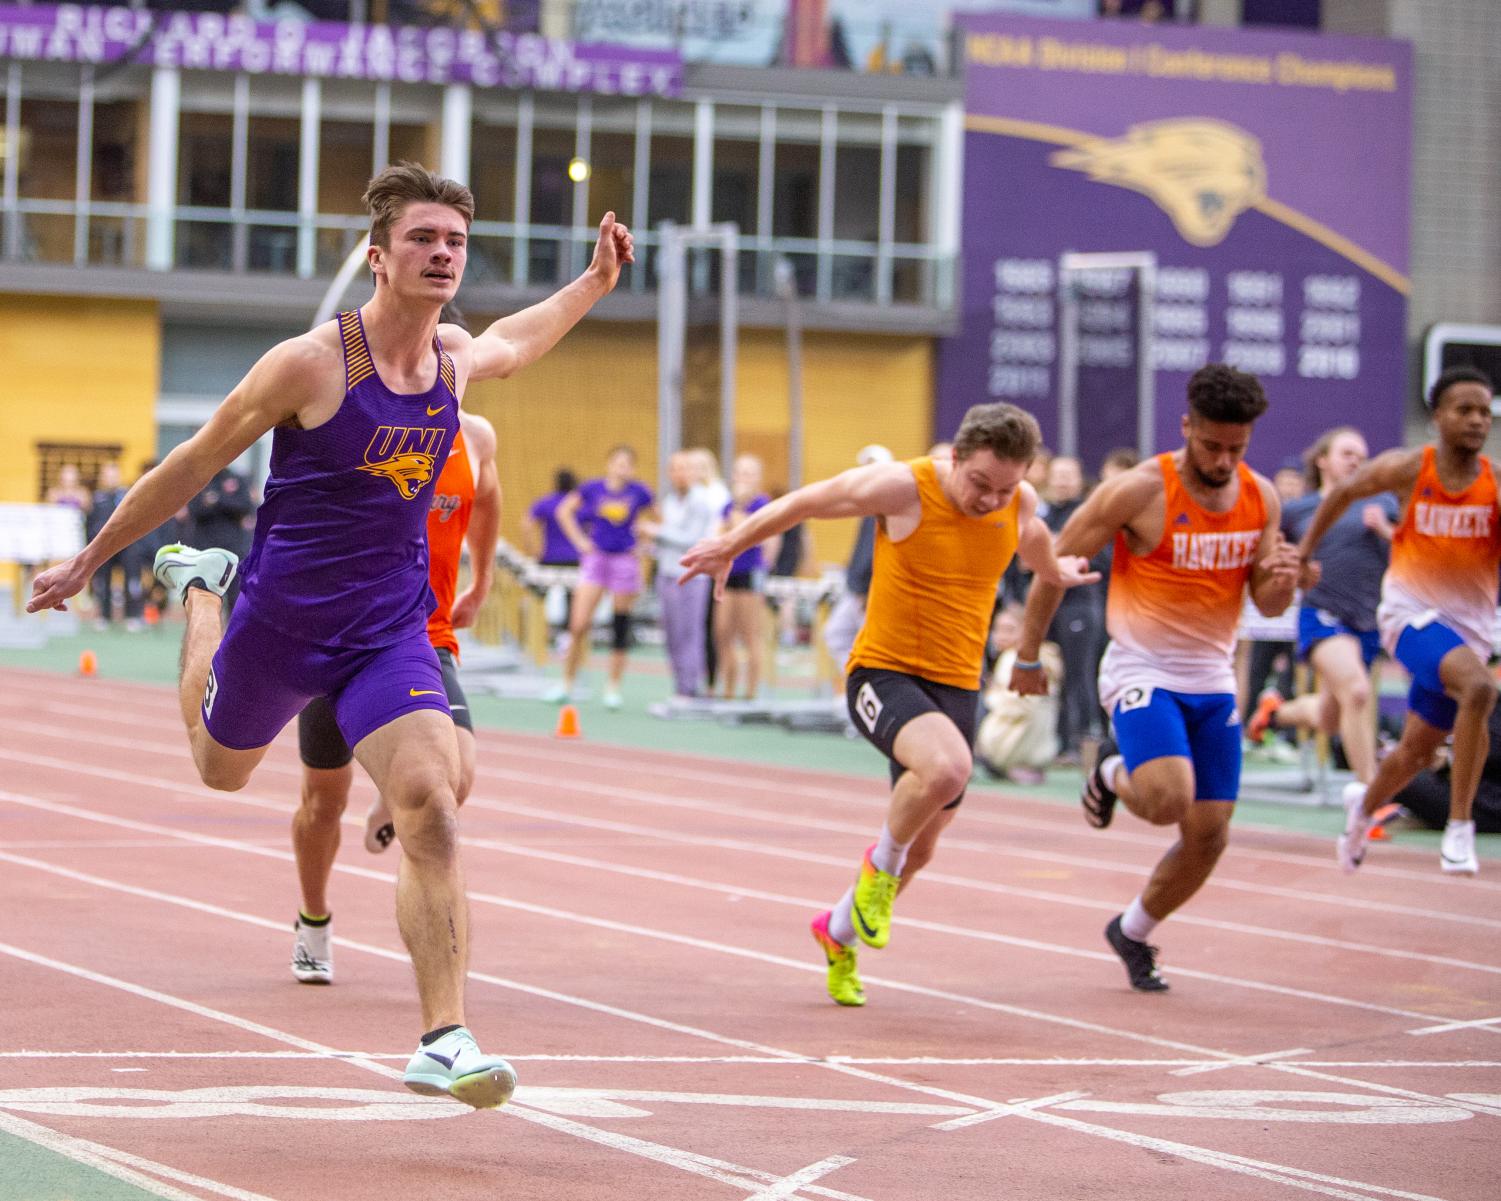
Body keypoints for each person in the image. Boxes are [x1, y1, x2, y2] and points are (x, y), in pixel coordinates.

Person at [28, 161, 634, 1108]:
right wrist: (90, 559)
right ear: (377, 255)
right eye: (425, 239)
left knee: (431, 798)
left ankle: (445, 1037)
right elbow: (192, 464)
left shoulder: (452, 361)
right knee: (220, 769)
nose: (443, 254)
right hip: (281, 623)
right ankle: (203, 593)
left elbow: (518, 339)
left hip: (387, 629)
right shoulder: (309, 363)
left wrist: (594, 283)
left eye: (456, 242)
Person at [681, 403, 1097, 1007]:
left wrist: (1046, 600)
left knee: (925, 845)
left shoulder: (1019, 502)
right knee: (949, 768)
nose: (988, 500)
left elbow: (1039, 558)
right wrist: (730, 544)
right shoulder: (905, 487)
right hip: (883, 671)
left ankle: (838, 931)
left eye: (1004, 488)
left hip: (957, 685)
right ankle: (878, 872)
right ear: (955, 456)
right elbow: (807, 501)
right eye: (979, 483)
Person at [1015, 363, 1300, 992]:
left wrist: (1281, 581)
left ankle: (1134, 930)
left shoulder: (1262, 499)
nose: (1223, 461)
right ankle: (1111, 770)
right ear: (1185, 427)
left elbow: (1267, 602)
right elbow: (1056, 565)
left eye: (1237, 449)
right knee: (1169, 797)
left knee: (1210, 834)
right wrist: (1028, 654)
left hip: (1212, 677)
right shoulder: (1140, 491)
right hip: (1141, 667)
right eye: (1211, 446)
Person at [290, 409, 500, 984]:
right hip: (342, 634)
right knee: (322, 802)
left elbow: (486, 501)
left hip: (426, 635)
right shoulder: (360, 422)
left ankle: (394, 798)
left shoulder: (476, 437)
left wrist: (481, 580)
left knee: (454, 779)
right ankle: (313, 921)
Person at [1297, 367, 1501, 877]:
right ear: (1438, 417)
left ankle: (1361, 809)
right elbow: (1342, 493)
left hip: (1471, 627)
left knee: (1414, 752)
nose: (1477, 420)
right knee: (1478, 690)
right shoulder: (1411, 469)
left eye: (1484, 410)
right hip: (1410, 613)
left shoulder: (1495, 483)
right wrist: (1303, 555)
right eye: (1465, 409)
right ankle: (1459, 829)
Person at [1247, 427, 1396, 785]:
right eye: (1347, 453)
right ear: (1323, 460)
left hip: (1367, 619)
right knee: (1358, 691)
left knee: (1332, 716)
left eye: (1362, 455)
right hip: (1323, 614)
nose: (1356, 460)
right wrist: (1292, 574)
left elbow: (1409, 557)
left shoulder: (1383, 504)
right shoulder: (1299, 510)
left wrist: (1385, 531)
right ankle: (1370, 798)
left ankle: (1275, 714)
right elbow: (1270, 557)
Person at [550, 445, 654, 709]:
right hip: (596, 559)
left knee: (620, 624)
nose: (622, 468)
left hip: (624, 561)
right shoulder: (592, 489)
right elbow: (564, 511)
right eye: (617, 462)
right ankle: (566, 682)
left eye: (627, 464)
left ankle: (613, 686)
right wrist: (580, 541)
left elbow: (656, 520)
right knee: (578, 623)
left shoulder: (639, 492)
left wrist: (643, 544)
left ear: (632, 468)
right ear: (609, 464)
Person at [1040, 454, 1106, 762]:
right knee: (1053, 672)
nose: (1063, 480)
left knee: (1080, 674)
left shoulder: (1087, 514)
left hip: (1080, 605)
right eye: (1058, 474)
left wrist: (1057, 550)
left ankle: (1084, 739)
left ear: (1079, 480)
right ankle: (1056, 739)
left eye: (1069, 474)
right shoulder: (1042, 513)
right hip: (1046, 604)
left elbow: (1099, 558)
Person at [643, 450, 717, 698]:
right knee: (672, 633)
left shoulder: (701, 501)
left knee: (690, 632)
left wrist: (657, 532)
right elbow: (666, 539)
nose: (681, 474)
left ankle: (691, 687)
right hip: (667, 573)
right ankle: (679, 686)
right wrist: (648, 545)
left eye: (686, 468)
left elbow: (691, 539)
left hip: (693, 577)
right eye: (675, 469)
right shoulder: (668, 501)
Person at [822, 444, 893, 672]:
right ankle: (859, 681)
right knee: (836, 633)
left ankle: (868, 683)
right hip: (857, 588)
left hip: (871, 592)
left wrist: (867, 588)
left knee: (872, 647)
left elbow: (880, 555)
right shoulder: (868, 508)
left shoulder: (887, 509)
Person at [714, 453, 779, 700]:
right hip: (729, 574)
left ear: (758, 478)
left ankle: (751, 692)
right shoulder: (728, 506)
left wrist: (765, 568)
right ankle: (728, 689)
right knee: (722, 631)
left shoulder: (762, 505)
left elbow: (767, 539)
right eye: (739, 472)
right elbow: (719, 533)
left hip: (751, 574)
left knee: (750, 634)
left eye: (749, 473)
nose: (743, 478)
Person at [188, 464, 255, 612]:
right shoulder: (200, 480)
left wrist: (218, 500)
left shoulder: (236, 479)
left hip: (232, 549)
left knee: (234, 596)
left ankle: (232, 633)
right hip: (205, 549)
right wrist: (209, 505)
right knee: (205, 595)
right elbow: (193, 510)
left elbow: (245, 506)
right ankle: (204, 632)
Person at [86, 462, 141, 629]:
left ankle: (133, 616)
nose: (111, 479)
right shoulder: (97, 498)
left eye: (114, 475)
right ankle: (104, 616)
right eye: (108, 476)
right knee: (102, 581)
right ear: (103, 478)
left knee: (132, 580)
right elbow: (90, 524)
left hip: (127, 544)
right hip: (103, 547)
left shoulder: (127, 495)